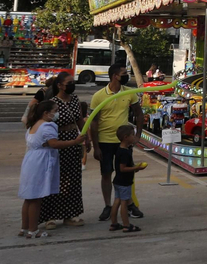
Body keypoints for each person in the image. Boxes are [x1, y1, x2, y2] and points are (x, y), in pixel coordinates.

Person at [19, 98, 86, 238]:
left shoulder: (34, 124)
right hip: (40, 162)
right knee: (36, 198)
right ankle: (33, 230)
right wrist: (75, 141)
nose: (57, 114)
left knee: (29, 197)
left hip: (31, 160)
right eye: (55, 111)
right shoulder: (47, 126)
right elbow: (54, 144)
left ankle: (24, 228)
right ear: (45, 113)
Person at [87, 64, 146, 221]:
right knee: (106, 173)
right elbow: (93, 122)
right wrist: (96, 146)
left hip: (123, 143)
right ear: (115, 76)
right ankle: (108, 206)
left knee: (126, 172)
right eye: (124, 73)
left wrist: (138, 135)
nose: (127, 75)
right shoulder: (99, 96)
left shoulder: (129, 93)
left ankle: (129, 204)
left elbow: (138, 114)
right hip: (105, 141)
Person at [39, 75, 89, 229]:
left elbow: (80, 119)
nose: (72, 85)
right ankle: (50, 216)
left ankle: (70, 214)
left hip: (74, 142)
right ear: (60, 85)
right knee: (55, 178)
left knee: (73, 178)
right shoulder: (52, 103)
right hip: (58, 142)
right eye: (69, 83)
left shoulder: (74, 99)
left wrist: (86, 138)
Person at [108, 123, 145, 233]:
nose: (134, 137)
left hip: (118, 181)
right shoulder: (124, 152)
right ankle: (126, 225)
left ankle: (114, 223)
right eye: (132, 135)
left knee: (116, 201)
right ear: (126, 137)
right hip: (124, 182)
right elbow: (123, 168)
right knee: (124, 204)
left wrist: (134, 168)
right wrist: (135, 168)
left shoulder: (120, 149)